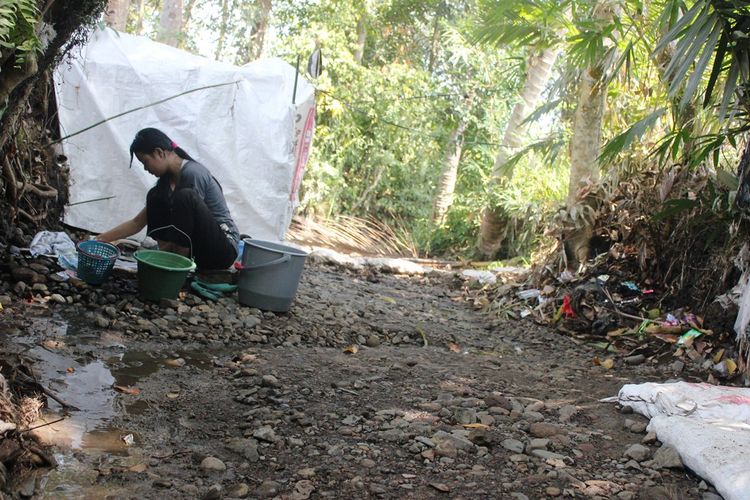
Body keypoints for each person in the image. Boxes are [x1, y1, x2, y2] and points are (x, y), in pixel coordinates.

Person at [97, 128, 240, 270]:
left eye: (145, 162)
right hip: (199, 249)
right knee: (155, 197)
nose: (146, 168)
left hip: (222, 249)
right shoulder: (167, 183)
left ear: (159, 152)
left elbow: (190, 227)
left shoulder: (193, 173)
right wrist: (100, 240)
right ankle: (169, 258)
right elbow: (137, 222)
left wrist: (172, 265)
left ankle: (174, 265)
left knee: (184, 197)